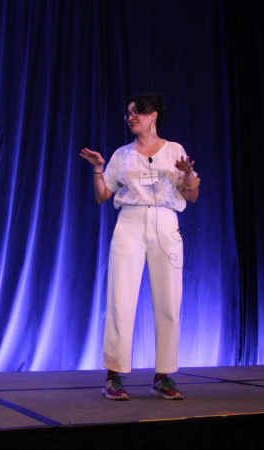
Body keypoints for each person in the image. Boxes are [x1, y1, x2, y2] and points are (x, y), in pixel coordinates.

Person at [80, 93, 199, 401]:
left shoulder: (174, 150)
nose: (131, 117)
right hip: (130, 223)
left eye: (137, 112)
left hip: (166, 224)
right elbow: (102, 196)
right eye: (129, 113)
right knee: (121, 298)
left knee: (169, 302)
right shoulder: (122, 155)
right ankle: (113, 375)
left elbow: (191, 196)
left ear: (153, 115)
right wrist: (98, 168)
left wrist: (187, 175)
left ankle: (163, 376)